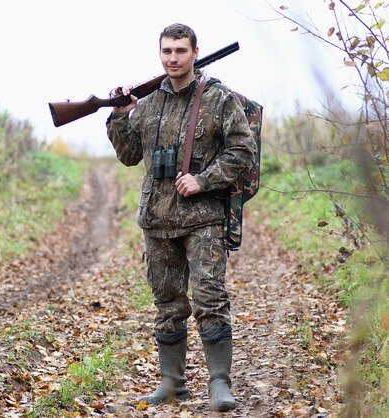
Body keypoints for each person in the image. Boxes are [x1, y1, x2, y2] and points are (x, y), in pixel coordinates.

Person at [106, 23, 256, 412]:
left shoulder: (218, 99)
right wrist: (121, 115)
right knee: (168, 302)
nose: (173, 58)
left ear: (194, 52)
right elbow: (128, 156)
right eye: (167, 51)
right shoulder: (150, 103)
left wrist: (203, 180)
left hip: (203, 217)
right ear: (160, 54)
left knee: (209, 297)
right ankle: (172, 384)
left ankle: (219, 384)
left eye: (180, 51)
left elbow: (243, 151)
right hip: (157, 219)